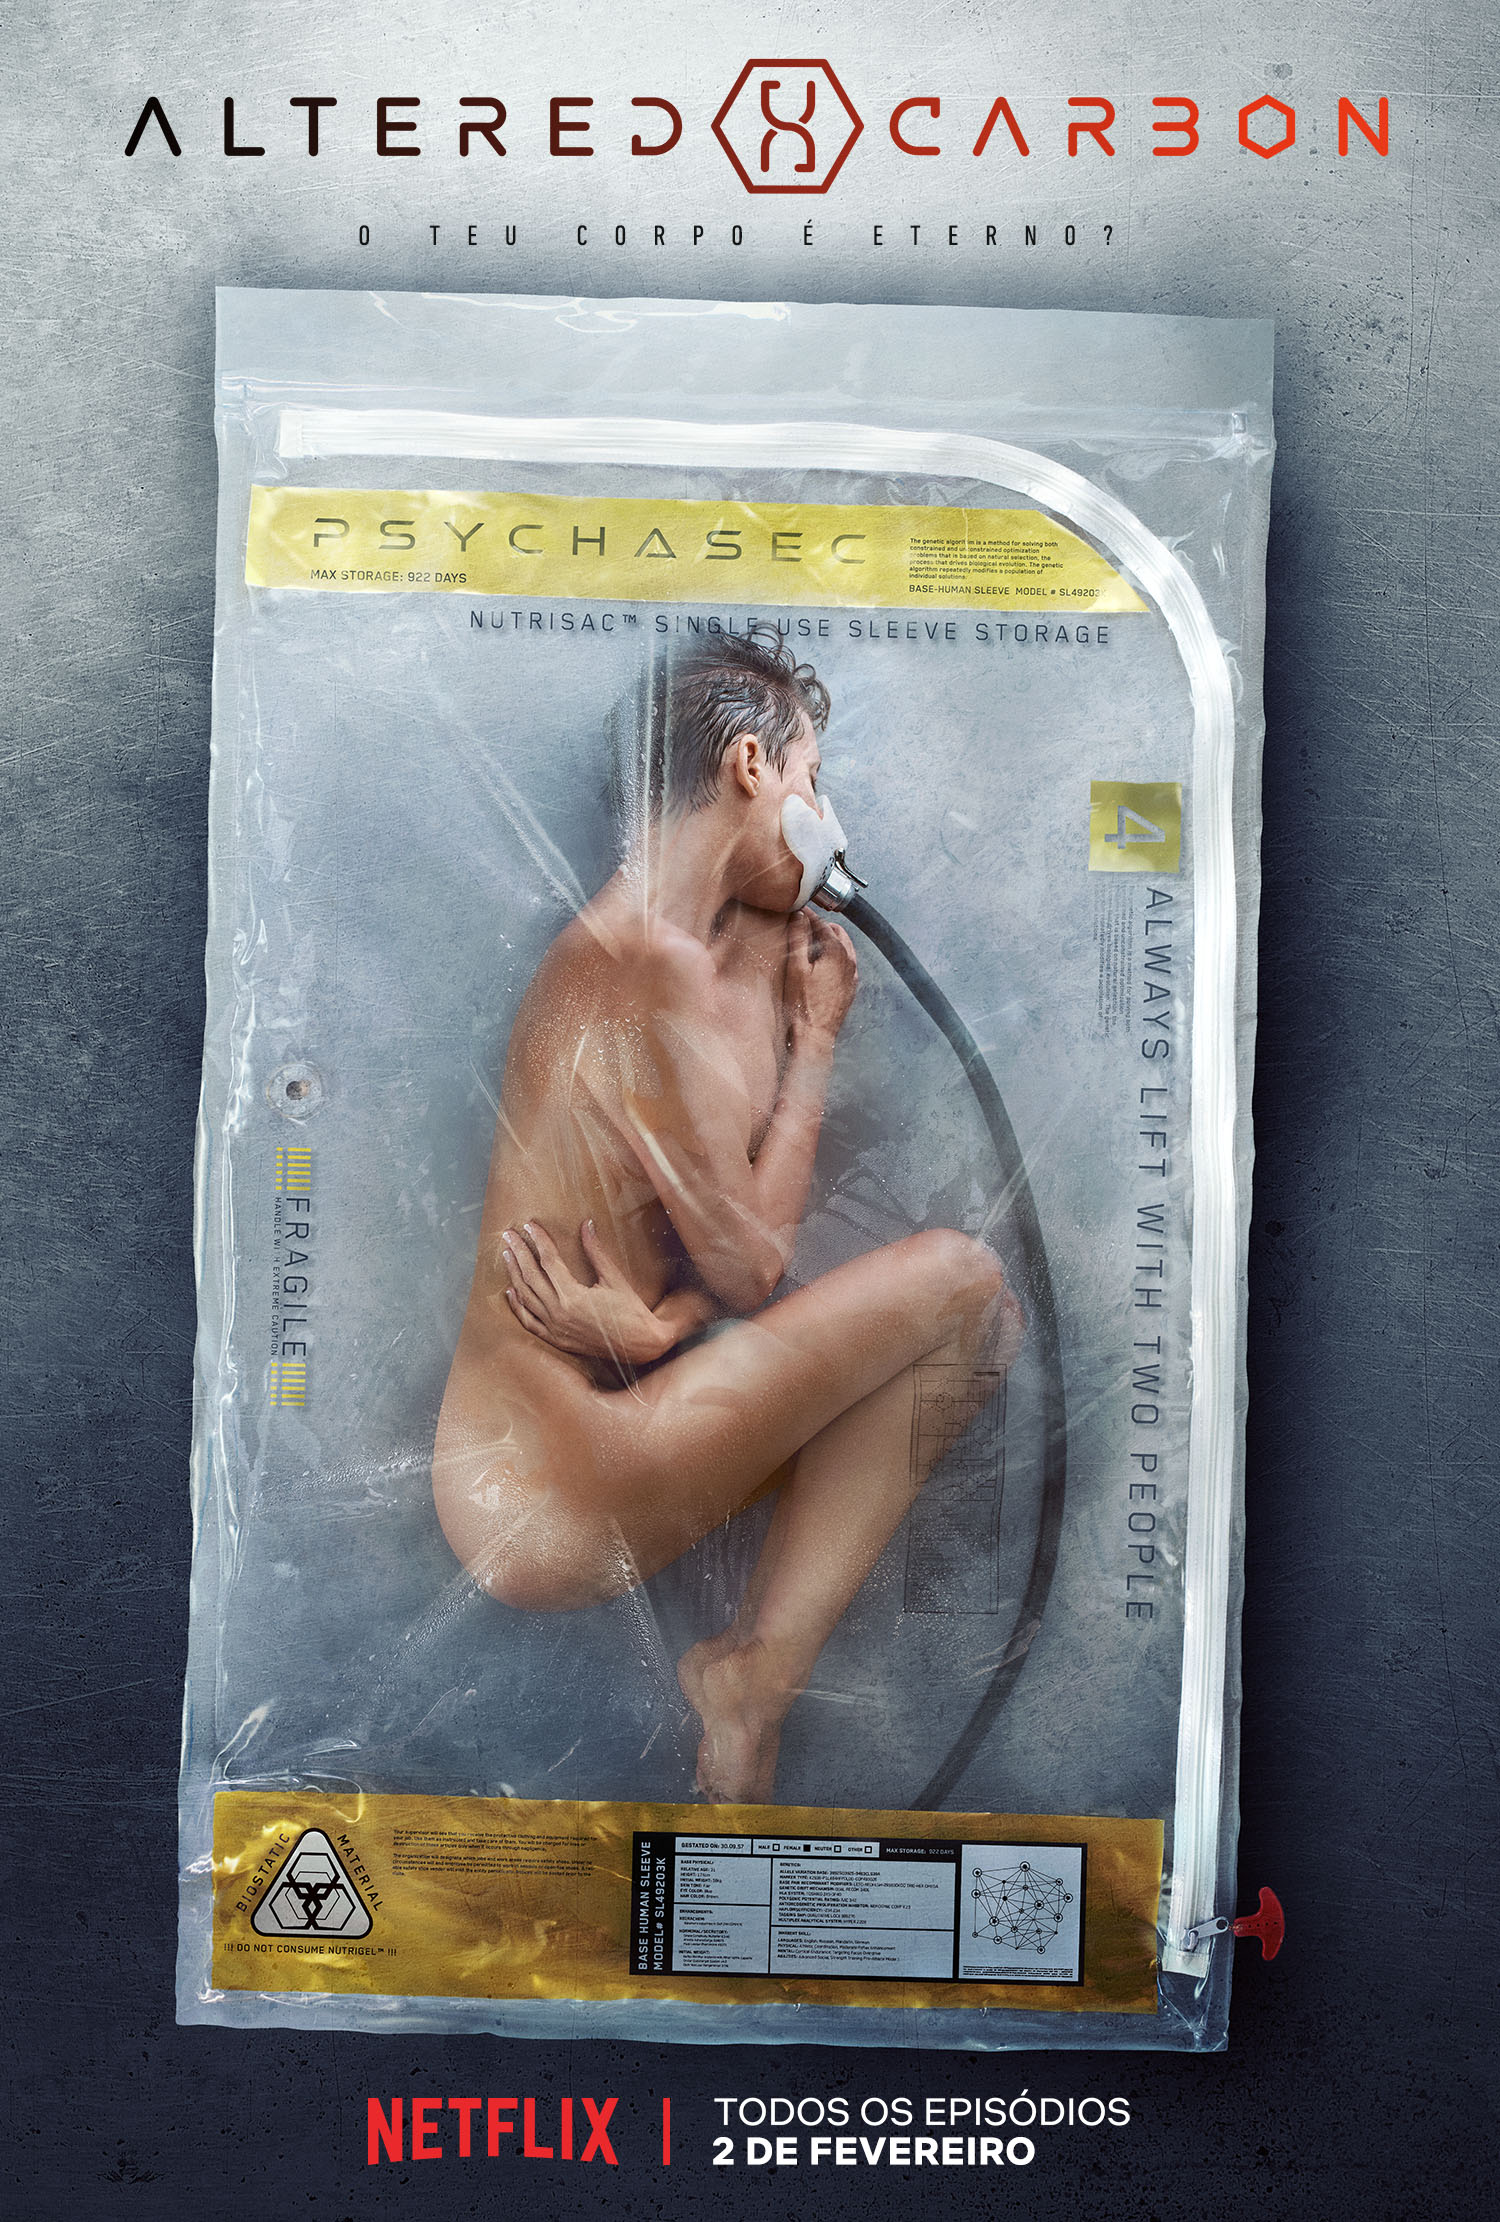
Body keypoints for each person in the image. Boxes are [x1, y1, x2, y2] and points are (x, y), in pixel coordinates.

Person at [434, 629, 1023, 1802]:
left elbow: (715, 1245)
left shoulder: (681, 954)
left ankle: (750, 1673)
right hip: (543, 1477)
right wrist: (820, 1049)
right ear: (751, 766)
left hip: (568, 1452)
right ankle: (754, 1681)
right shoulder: (643, 961)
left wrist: (663, 1325)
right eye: (811, 779)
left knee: (978, 1335)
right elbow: (751, 1265)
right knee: (961, 1279)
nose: (827, 818)